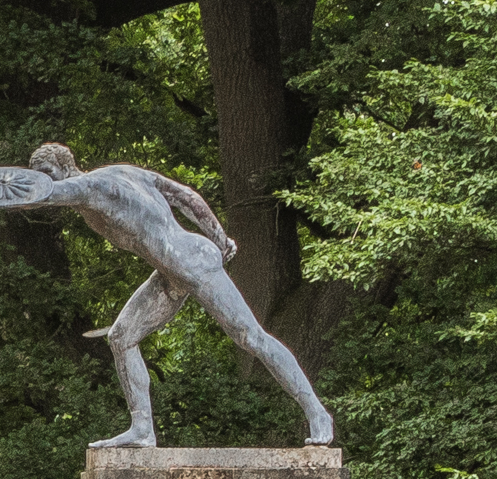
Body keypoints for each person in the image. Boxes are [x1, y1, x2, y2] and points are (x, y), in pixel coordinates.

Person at [17, 142, 332, 447]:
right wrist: (220, 238)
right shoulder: (122, 172)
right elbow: (186, 196)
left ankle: (317, 413)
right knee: (121, 337)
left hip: (190, 260)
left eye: (47, 171)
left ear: (66, 167)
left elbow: (44, 194)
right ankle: (142, 429)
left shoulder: (88, 187)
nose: (44, 179)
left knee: (250, 337)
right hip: (171, 270)